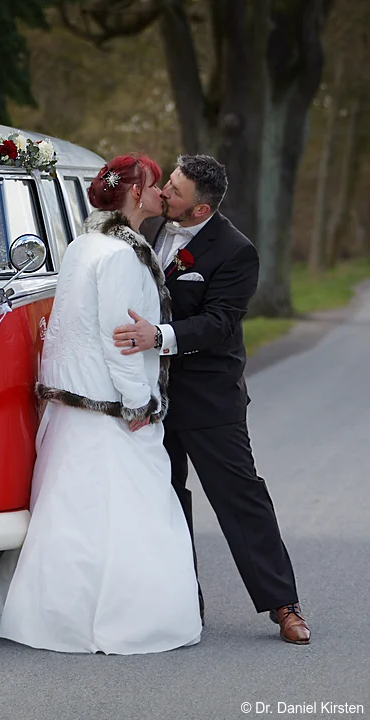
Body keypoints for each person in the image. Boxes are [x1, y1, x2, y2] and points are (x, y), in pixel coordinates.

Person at [0, 154, 202, 654]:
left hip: (71, 404)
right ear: (137, 195)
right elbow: (120, 338)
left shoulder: (82, 245)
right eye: (157, 186)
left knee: (70, 511)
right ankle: (122, 619)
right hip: (107, 404)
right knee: (123, 509)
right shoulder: (119, 256)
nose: (162, 194)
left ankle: (52, 613)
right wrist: (140, 402)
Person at [111, 154, 310, 645]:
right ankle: (183, 604)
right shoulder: (149, 229)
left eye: (174, 192)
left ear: (200, 211)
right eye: (169, 184)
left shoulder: (237, 252)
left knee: (240, 497)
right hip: (151, 396)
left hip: (209, 397)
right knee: (166, 499)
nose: (164, 194)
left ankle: (284, 604)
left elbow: (220, 324)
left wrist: (156, 336)